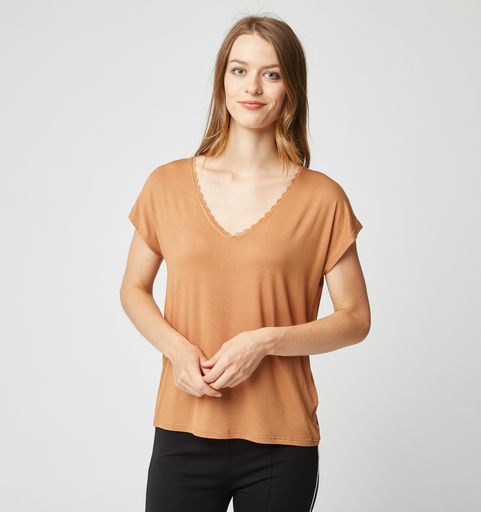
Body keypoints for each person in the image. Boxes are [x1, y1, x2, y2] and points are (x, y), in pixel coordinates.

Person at [120, 14, 371, 512]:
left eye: (270, 74)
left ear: (290, 88)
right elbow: (133, 288)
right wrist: (176, 350)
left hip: (281, 443)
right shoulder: (166, 185)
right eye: (239, 70)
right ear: (222, 81)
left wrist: (266, 341)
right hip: (184, 429)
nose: (252, 87)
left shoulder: (323, 199)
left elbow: (356, 319)